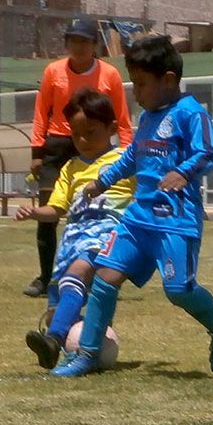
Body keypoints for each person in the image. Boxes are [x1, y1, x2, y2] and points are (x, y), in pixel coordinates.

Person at [52, 35, 213, 378]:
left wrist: (182, 172)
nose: (134, 93)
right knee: (106, 278)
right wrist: (102, 182)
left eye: (140, 84)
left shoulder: (191, 113)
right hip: (137, 219)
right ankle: (88, 354)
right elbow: (132, 159)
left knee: (179, 290)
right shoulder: (149, 118)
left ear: (168, 80)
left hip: (175, 221)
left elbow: (208, 153)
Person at [16, 88, 136, 369]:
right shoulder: (70, 168)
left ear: (112, 128)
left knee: (78, 274)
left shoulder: (125, 161)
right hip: (72, 242)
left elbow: (148, 192)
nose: (82, 140)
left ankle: (55, 340)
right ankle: (84, 342)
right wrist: (35, 211)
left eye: (91, 132)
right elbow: (56, 209)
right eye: (76, 133)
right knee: (56, 311)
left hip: (106, 238)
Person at [25, 17, 133, 298]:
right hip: (59, 143)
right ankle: (47, 276)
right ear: (66, 44)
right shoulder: (52, 72)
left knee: (104, 211)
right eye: (73, 40)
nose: (79, 46)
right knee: (49, 211)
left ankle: (102, 273)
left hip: (99, 145)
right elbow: (41, 112)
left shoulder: (110, 75)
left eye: (84, 40)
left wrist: (128, 154)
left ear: (95, 44)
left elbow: (121, 117)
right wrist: (37, 151)